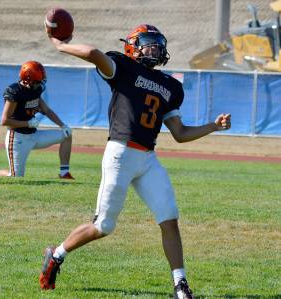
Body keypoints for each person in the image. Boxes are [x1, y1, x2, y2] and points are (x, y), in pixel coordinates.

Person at [39, 24, 231, 298]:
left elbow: (179, 133)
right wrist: (60, 46)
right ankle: (56, 254)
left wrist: (213, 126)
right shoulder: (123, 67)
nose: (153, 48)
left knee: (169, 218)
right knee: (103, 226)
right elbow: (93, 52)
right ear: (132, 46)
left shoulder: (171, 86)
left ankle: (180, 285)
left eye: (157, 43)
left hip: (147, 158)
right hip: (120, 153)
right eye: (147, 42)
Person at [0, 61, 73, 179]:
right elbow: (4, 121)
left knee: (67, 135)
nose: (40, 85)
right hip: (18, 139)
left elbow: (46, 110)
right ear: (28, 80)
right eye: (38, 81)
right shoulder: (15, 91)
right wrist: (28, 123)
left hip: (34, 135)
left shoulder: (35, 90)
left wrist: (63, 125)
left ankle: (64, 173)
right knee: (15, 177)